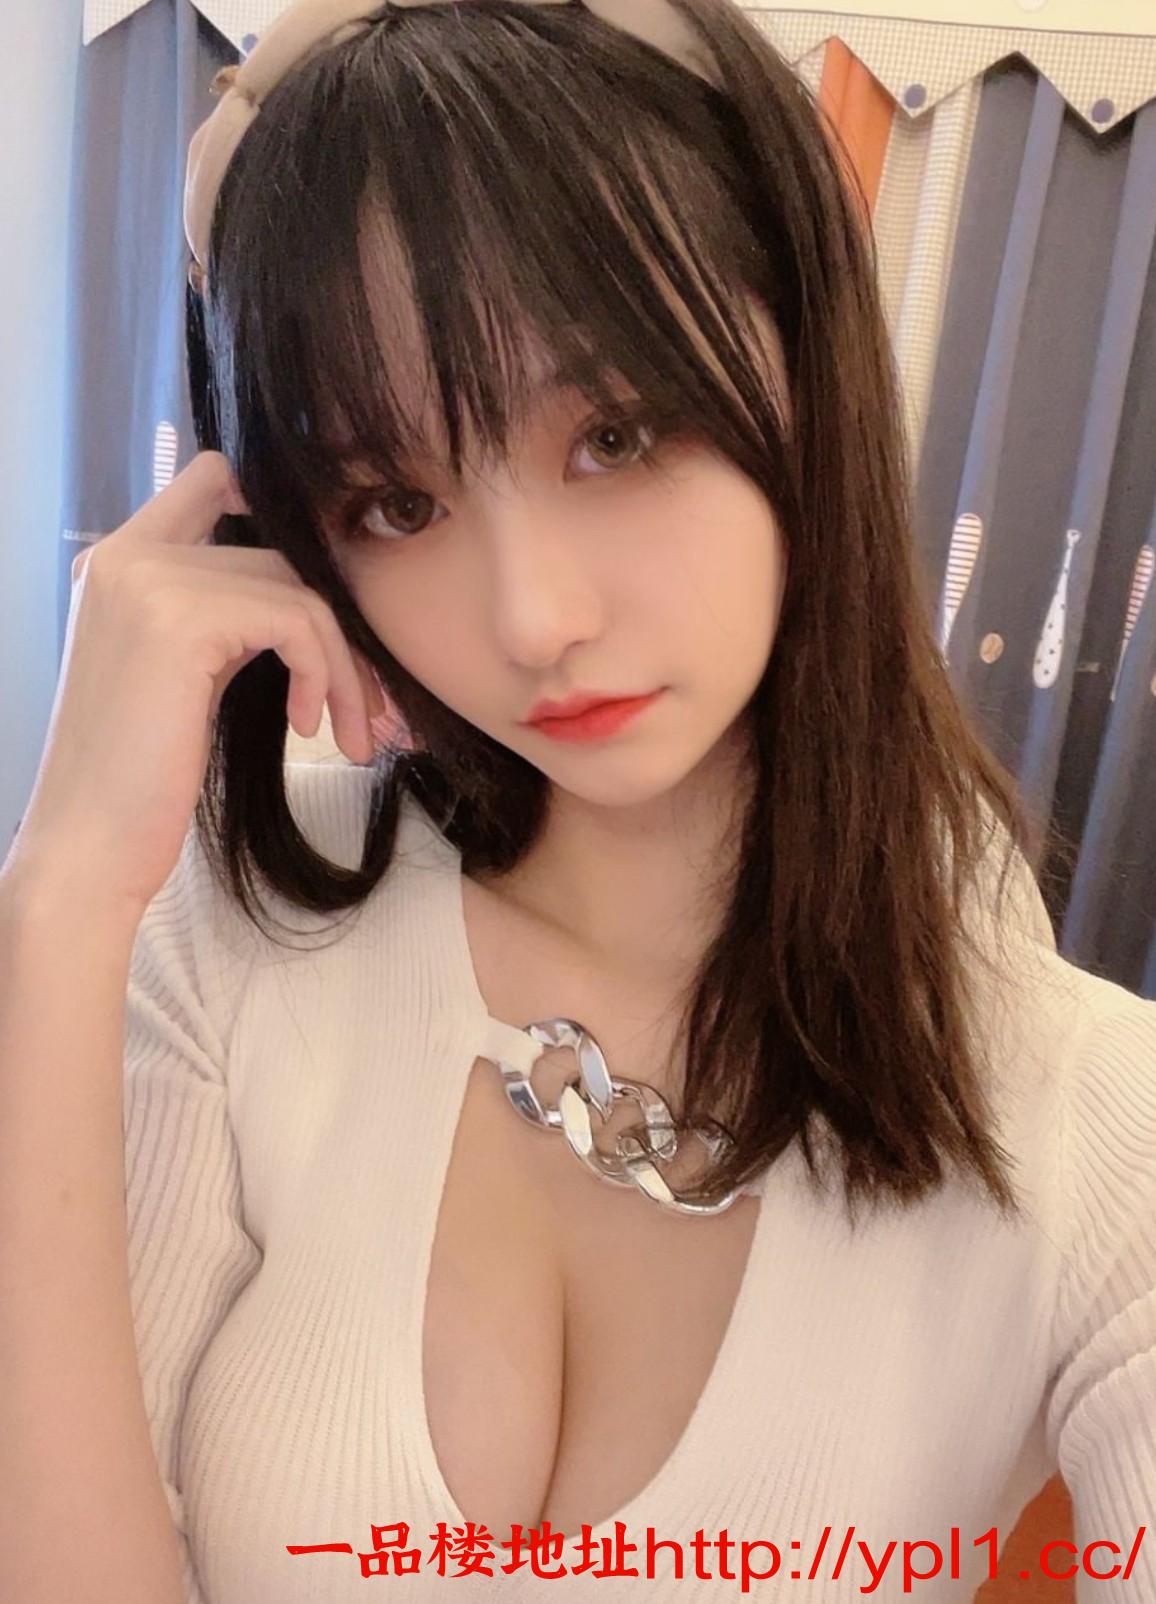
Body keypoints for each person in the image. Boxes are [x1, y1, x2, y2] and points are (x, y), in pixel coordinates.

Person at [1, 1, 1154, 1601]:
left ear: (809, 365)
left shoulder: (1093, 1118)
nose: (532, 616)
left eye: (615, 432)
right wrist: (61, 891)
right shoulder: (238, 930)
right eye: (394, 501)